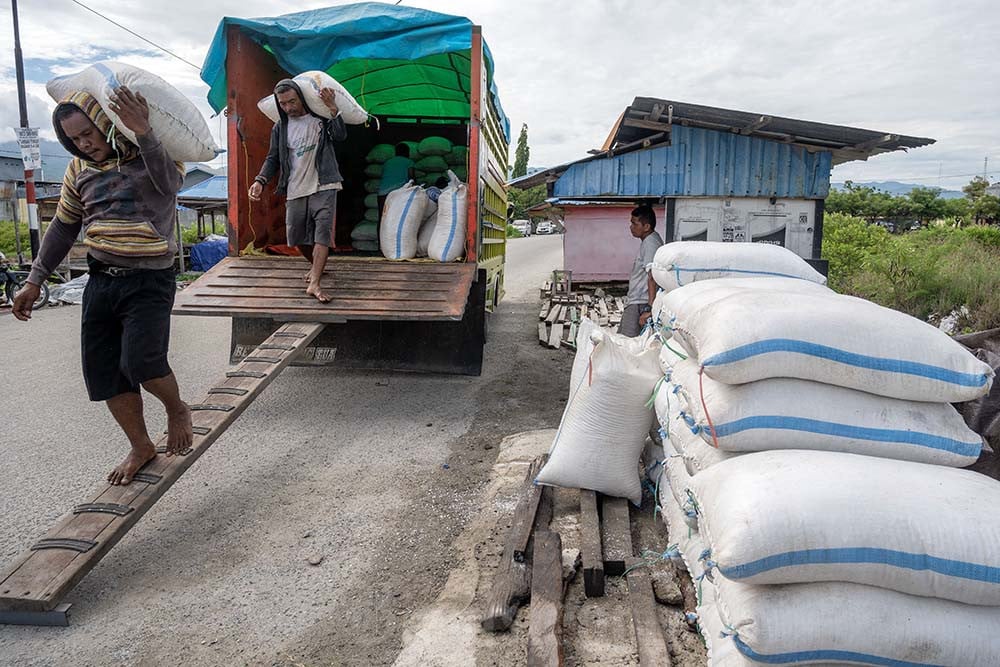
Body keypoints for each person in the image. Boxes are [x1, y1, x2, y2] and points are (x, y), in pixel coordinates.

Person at [12, 86, 193, 486]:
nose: (84, 144)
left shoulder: (155, 155)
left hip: (149, 280)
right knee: (106, 373)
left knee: (143, 362)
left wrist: (144, 131)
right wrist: (34, 280)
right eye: (73, 139)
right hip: (100, 280)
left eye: (88, 133)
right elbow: (63, 227)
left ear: (107, 124)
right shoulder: (77, 170)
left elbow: (170, 186)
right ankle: (141, 445)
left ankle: (177, 408)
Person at [249, 80, 346, 303]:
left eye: (292, 101)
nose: (288, 107)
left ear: (301, 97)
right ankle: (316, 268)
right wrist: (260, 180)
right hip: (295, 188)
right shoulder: (280, 128)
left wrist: (332, 108)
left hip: (325, 184)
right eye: (283, 104)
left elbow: (340, 135)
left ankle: (315, 284)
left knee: (322, 234)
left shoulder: (320, 119)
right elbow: (272, 158)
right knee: (296, 237)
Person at [619, 204, 663, 337]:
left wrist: (649, 309)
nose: (631, 227)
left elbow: (652, 277)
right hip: (637, 301)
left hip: (640, 303)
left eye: (634, 223)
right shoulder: (650, 240)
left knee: (627, 343)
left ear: (646, 227)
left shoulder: (650, 243)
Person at [377, 142, 416, 218]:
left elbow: (383, 176)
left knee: (382, 218)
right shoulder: (409, 162)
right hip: (398, 193)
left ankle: (379, 230)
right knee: (396, 219)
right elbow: (411, 178)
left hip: (382, 193)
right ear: (407, 152)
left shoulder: (387, 162)